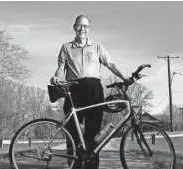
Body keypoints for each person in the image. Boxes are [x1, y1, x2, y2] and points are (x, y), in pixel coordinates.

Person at [50, 14, 133, 169]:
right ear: (74, 27)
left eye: (86, 26)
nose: (83, 29)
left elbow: (110, 64)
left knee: (93, 134)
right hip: (74, 90)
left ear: (89, 29)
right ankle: (74, 166)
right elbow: (61, 68)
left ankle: (91, 166)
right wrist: (57, 78)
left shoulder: (97, 47)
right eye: (79, 26)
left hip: (94, 91)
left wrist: (123, 76)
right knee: (72, 133)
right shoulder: (66, 47)